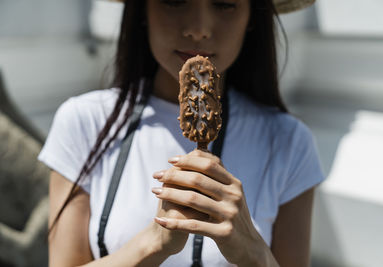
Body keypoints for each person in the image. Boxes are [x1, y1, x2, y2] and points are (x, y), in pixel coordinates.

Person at [39, 0, 325, 266]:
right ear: (142, 9)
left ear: (252, 15)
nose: (198, 29)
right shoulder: (85, 121)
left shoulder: (288, 141)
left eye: (224, 4)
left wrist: (253, 251)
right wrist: (154, 242)